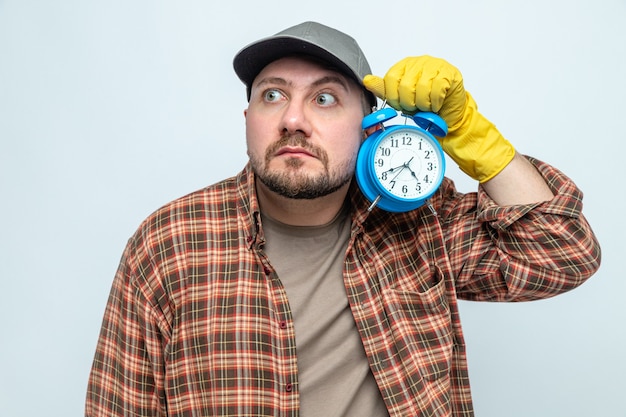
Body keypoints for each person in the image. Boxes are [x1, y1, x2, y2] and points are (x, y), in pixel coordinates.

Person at [85, 21, 601, 417]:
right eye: (273, 95)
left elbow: (564, 251)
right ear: (249, 121)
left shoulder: (422, 225)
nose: (293, 119)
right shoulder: (168, 243)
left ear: (368, 128)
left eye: (325, 99)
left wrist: (474, 137)